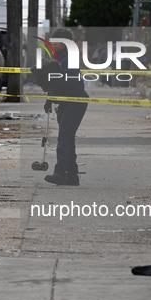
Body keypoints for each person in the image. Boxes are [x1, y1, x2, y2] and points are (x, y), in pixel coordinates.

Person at [43, 28, 89, 186]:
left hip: (75, 102)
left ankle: (61, 173)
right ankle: (72, 176)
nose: (53, 43)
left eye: (57, 41)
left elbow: (67, 80)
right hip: (64, 102)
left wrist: (52, 85)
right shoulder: (58, 57)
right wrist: (49, 98)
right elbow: (52, 78)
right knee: (67, 138)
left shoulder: (72, 58)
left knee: (64, 138)